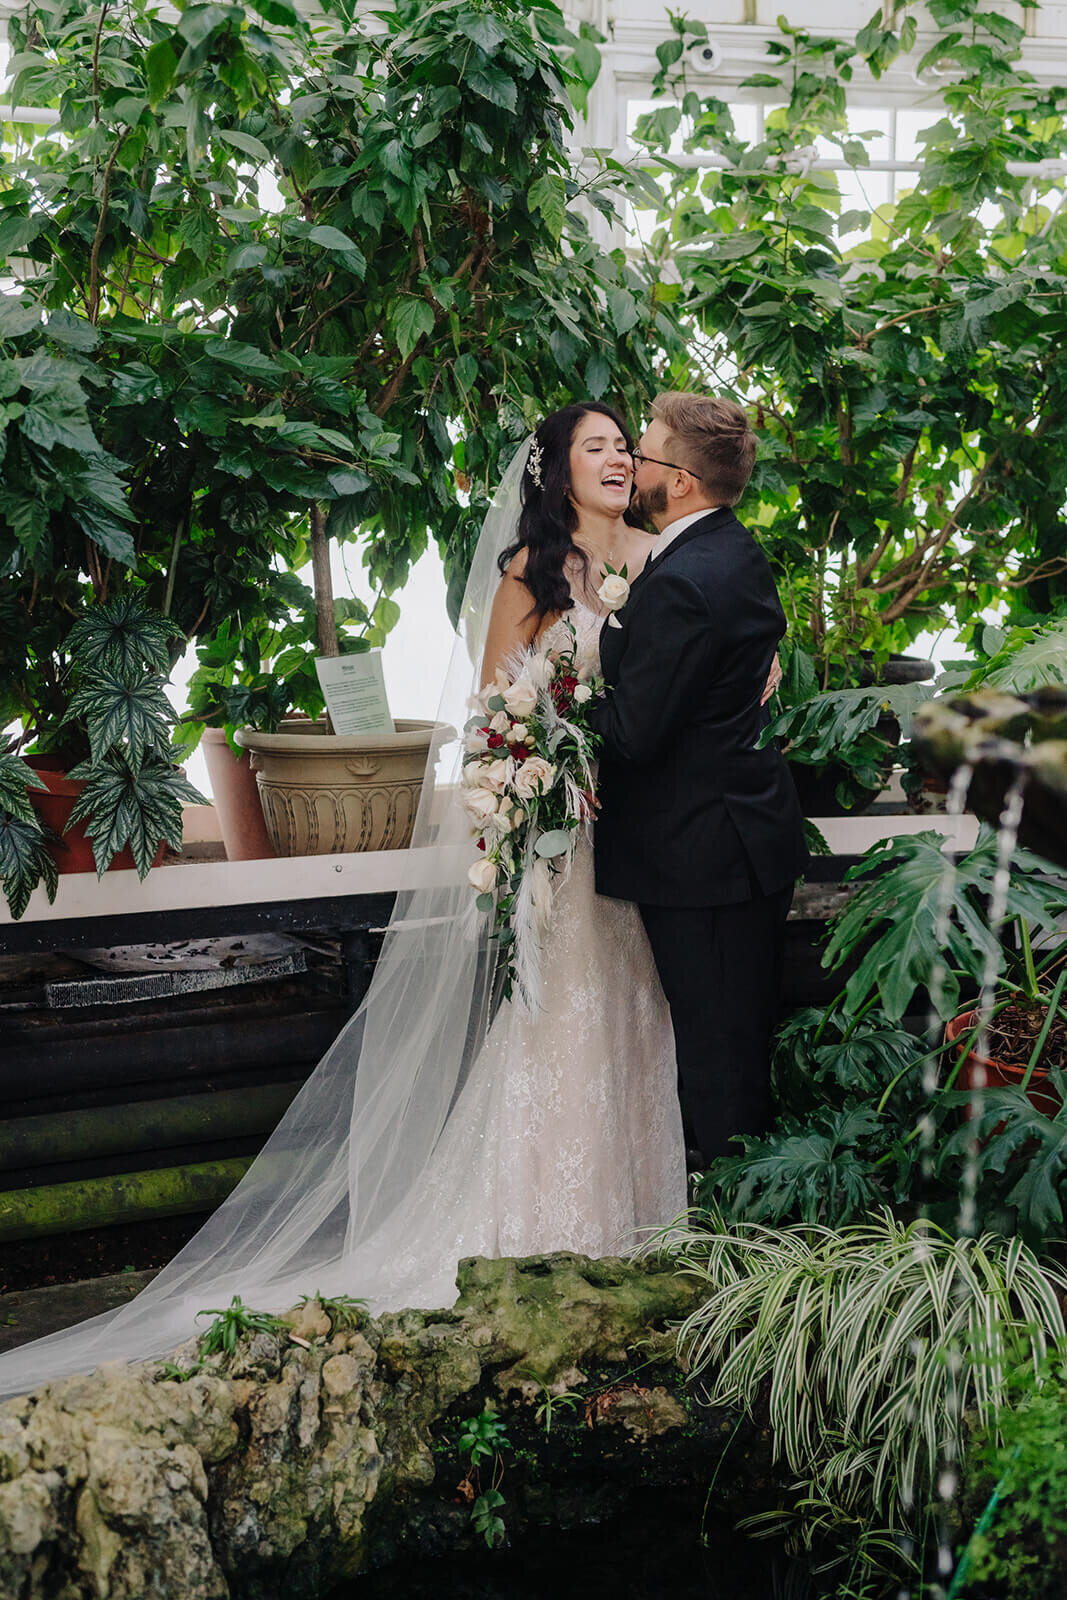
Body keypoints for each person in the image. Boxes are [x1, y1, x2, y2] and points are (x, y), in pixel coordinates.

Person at [0, 402, 689, 1399]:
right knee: (560, 1021)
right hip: (560, 841)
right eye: (597, 447)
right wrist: (538, 770)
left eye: (624, 444)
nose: (620, 458)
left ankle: (635, 1228)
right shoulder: (527, 576)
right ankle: (545, 1231)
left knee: (634, 1011)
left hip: (643, 837)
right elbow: (494, 711)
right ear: (556, 471)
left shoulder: (656, 553)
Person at [590, 392, 808, 1163]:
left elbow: (634, 736)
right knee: (732, 1043)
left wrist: (554, 713)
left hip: (702, 854)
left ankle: (737, 1242)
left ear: (678, 480)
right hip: (734, 838)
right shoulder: (729, 549)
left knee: (717, 1059)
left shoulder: (685, 580)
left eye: (642, 455)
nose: (631, 467)